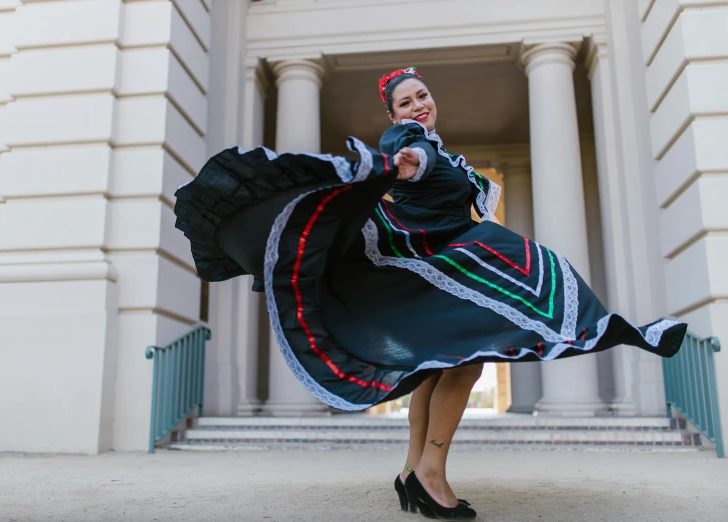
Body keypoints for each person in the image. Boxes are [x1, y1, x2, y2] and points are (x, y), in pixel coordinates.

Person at [174, 66, 686, 521]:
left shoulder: (439, 146)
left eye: (422, 95)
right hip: (441, 262)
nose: (419, 105)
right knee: (468, 360)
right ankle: (431, 474)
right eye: (406, 101)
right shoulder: (411, 140)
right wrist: (399, 164)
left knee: (442, 365)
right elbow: (409, 155)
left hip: (447, 259)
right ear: (394, 112)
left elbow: (425, 157)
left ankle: (412, 473)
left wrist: (416, 160)